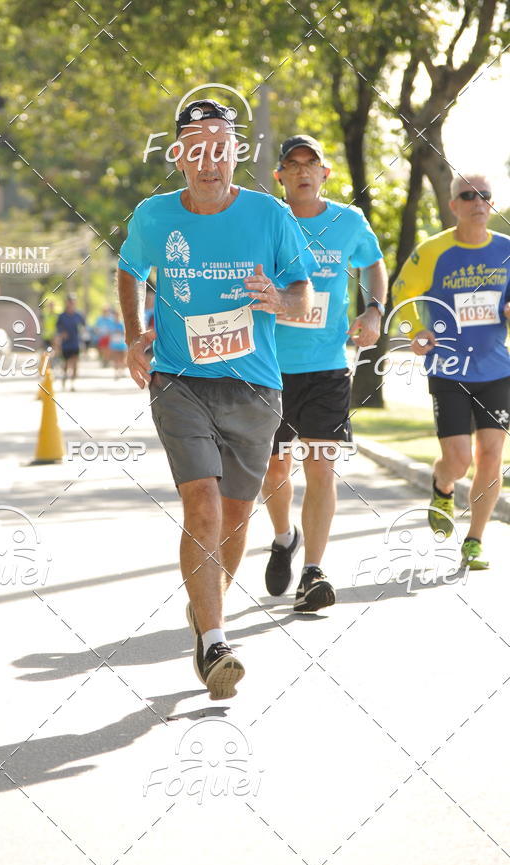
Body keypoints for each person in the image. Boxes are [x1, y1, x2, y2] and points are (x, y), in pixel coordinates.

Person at [118, 99, 312, 699]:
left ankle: (205, 613)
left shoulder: (269, 215)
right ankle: (214, 643)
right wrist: (133, 333)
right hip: (181, 381)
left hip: (255, 387)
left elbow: (303, 298)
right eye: (195, 145)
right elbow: (129, 269)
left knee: (233, 517)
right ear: (179, 156)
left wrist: (280, 302)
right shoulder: (154, 217)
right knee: (200, 504)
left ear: (235, 153)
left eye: (220, 144)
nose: (208, 158)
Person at [262, 135, 387, 611]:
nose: (302, 172)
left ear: (325, 173)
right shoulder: (267, 219)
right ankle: (283, 536)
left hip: (328, 366)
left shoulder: (348, 221)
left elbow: (374, 265)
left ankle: (313, 572)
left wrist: (374, 310)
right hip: (268, 367)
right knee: (273, 468)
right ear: (281, 176)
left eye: (310, 164)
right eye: (292, 165)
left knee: (320, 465)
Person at [392, 172, 510, 570]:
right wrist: (414, 328)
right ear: (453, 204)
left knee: (491, 456)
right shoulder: (433, 251)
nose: (478, 202)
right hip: (449, 367)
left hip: (497, 369)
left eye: (485, 196)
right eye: (468, 195)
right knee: (458, 461)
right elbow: (401, 293)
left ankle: (475, 540)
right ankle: (442, 485)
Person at [55, 293, 85, 390]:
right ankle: (64, 379)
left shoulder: (78, 315)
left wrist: (83, 335)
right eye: (70, 301)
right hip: (66, 344)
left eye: (73, 301)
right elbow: (58, 328)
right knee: (66, 364)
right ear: (67, 302)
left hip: (75, 342)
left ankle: (72, 384)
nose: (72, 303)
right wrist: (61, 334)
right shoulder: (62, 316)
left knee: (75, 363)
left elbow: (84, 326)